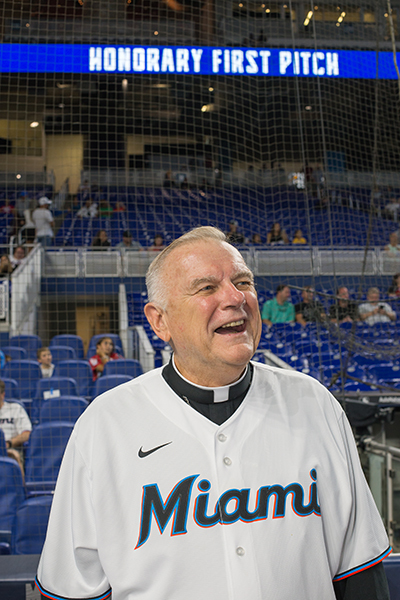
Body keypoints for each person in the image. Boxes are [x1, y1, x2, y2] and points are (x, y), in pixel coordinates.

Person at [36, 226, 391, 600]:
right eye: (207, 288)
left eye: (243, 281)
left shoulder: (315, 404)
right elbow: (75, 587)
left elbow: (359, 571)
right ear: (160, 321)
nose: (235, 297)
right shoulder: (105, 425)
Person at [0, 379, 32, 475]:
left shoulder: (15, 408)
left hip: (11, 449)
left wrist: (8, 444)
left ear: (3, 395)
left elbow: (27, 434)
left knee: (15, 455)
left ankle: (20, 489)